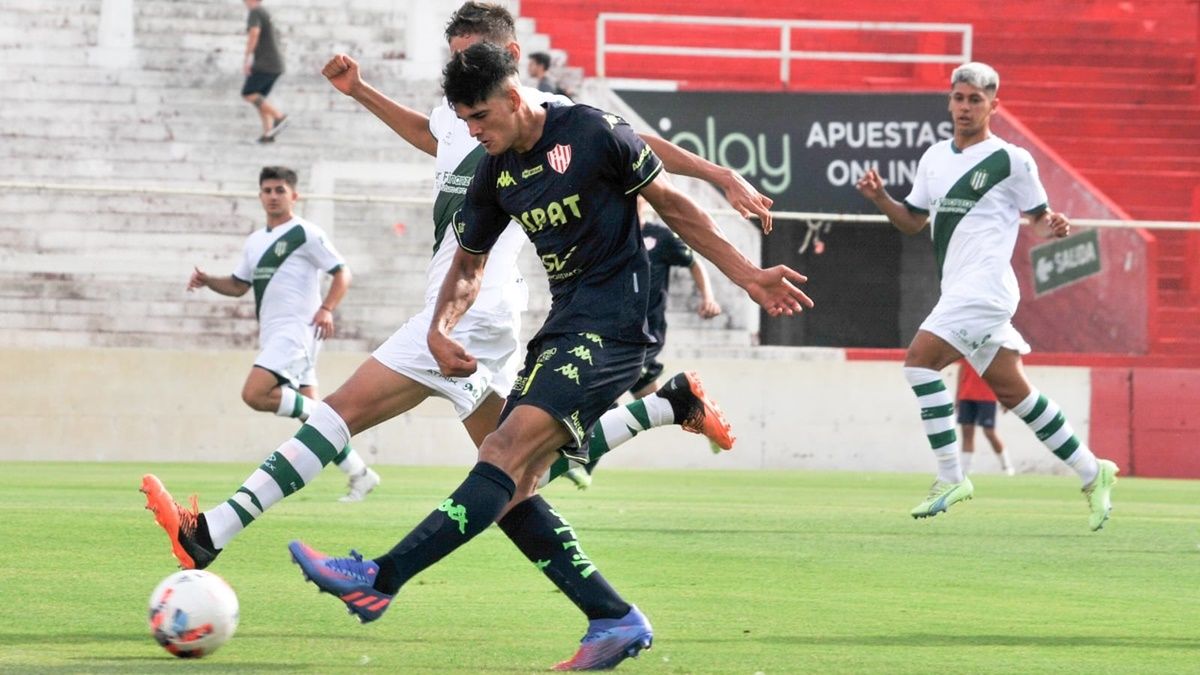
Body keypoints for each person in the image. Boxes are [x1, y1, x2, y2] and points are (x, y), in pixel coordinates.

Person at [140, 2, 768, 572]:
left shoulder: (545, 114)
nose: (460, 76)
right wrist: (360, 91)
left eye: (471, 59)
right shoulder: (460, 114)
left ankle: (214, 532)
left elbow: (640, 145)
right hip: (461, 305)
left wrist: (718, 174)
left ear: (508, 59)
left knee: (343, 411)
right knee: (517, 472)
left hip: (473, 309)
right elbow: (430, 133)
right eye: (454, 61)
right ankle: (666, 408)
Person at [287, 41, 812, 671]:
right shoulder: (493, 171)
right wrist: (438, 329)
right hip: (564, 327)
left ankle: (381, 578)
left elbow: (675, 207)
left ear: (514, 97)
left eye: (480, 117)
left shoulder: (593, 132)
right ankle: (612, 616)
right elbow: (467, 265)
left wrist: (748, 276)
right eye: (464, 120)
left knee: (502, 455)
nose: (473, 132)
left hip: (618, 324)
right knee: (512, 487)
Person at [855, 61, 1117, 529]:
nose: (964, 107)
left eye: (976, 100)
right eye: (958, 98)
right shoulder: (934, 158)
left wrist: (1051, 226)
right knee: (1015, 393)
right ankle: (1094, 472)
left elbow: (1037, 217)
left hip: (987, 288)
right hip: (961, 289)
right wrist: (880, 199)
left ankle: (952, 476)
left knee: (919, 362)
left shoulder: (1012, 160)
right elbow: (913, 221)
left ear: (994, 106)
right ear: (949, 101)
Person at [182, 166, 379, 505]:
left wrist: (327, 308)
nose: (273, 196)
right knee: (316, 421)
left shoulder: (305, 232)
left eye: (280, 190)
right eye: (267, 190)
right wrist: (208, 280)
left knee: (255, 393)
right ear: (260, 195)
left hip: (297, 331)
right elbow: (238, 285)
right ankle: (360, 474)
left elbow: (342, 272)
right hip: (274, 334)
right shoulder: (255, 241)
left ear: (294, 195)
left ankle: (336, 435)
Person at [557, 198, 725, 489]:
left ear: (645, 200)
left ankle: (584, 461)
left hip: (645, 333)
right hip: (615, 328)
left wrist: (708, 297)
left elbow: (694, 262)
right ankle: (697, 411)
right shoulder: (610, 235)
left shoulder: (661, 237)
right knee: (649, 399)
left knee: (603, 388)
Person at [241, 0, 288, 143]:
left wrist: (247, 58)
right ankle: (268, 133)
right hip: (275, 64)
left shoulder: (255, 12)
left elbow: (254, 33)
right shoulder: (264, 12)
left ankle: (279, 117)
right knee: (259, 98)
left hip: (266, 64)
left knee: (248, 94)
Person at [956, 360, 1013, 476]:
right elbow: (962, 369)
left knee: (989, 432)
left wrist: (1005, 397)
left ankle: (1006, 466)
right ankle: (965, 469)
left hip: (987, 396)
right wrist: (957, 395)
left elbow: (1004, 372)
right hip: (966, 395)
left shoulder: (994, 349)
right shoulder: (967, 347)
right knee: (967, 432)